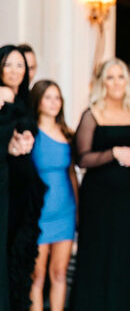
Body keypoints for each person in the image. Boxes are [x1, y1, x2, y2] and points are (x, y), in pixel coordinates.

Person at [70, 58, 130, 311]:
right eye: (110, 77)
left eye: (120, 77)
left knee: (128, 251)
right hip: (99, 198)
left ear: (127, 81)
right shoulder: (92, 113)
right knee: (98, 251)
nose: (116, 82)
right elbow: (82, 159)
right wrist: (113, 152)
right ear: (103, 83)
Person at [2, 45, 45, 311]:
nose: (15, 70)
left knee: (16, 255)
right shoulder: (2, 95)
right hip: (4, 184)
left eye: (21, 65)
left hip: (22, 187)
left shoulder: (25, 100)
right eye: (8, 64)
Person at [28, 81, 76, 311]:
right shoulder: (30, 132)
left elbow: (73, 175)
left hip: (65, 211)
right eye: (48, 97)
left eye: (57, 98)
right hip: (38, 212)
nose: (54, 102)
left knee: (59, 273)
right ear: (37, 101)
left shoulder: (67, 133)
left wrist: (79, 208)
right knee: (36, 276)